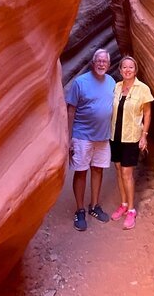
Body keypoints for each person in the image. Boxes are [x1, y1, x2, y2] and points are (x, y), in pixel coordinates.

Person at [66, 48, 115, 231]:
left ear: (109, 65)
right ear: (93, 63)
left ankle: (94, 206)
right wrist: (69, 137)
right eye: (99, 61)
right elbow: (71, 110)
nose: (102, 64)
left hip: (102, 137)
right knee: (81, 171)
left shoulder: (111, 82)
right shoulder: (80, 82)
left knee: (98, 170)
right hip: (82, 136)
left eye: (105, 61)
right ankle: (80, 210)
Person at [109, 55, 154, 229]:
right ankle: (124, 204)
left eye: (131, 68)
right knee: (119, 170)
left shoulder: (142, 89)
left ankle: (132, 211)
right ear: (120, 70)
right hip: (115, 136)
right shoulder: (116, 87)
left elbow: (148, 113)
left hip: (131, 137)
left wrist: (144, 135)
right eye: (124, 67)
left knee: (127, 173)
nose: (127, 70)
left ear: (136, 70)